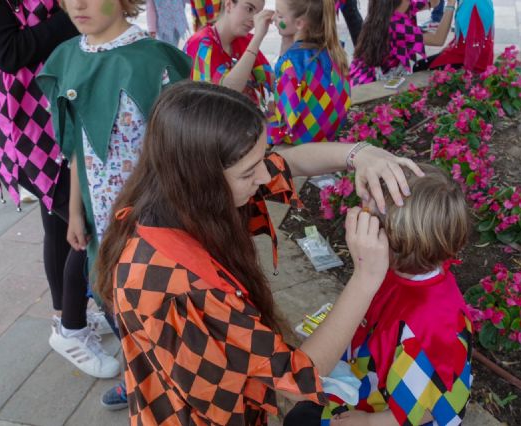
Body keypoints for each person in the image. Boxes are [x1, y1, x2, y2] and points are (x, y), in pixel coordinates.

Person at [94, 81, 423, 425]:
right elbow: (297, 379)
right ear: (202, 179)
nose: (265, 175)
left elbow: (290, 161)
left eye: (261, 159)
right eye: (249, 172)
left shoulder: (171, 196)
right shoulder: (180, 283)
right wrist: (366, 277)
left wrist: (359, 154)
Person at [36, 0, 192, 410]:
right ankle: (137, 371)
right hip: (99, 216)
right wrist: (73, 211)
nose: (77, 5)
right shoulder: (68, 56)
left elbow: (179, 149)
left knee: (160, 300)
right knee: (113, 297)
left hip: (155, 216)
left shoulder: (153, 60)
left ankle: (174, 374)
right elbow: (75, 147)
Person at [0, 0, 117, 379]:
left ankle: (67, 318)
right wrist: (74, 15)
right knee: (92, 225)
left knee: (60, 223)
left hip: (47, 116)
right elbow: (8, 53)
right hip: (25, 132)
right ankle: (72, 327)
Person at [284, 164, 473, 426]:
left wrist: (369, 422)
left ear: (395, 242)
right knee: (300, 416)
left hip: (392, 418)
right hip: (371, 387)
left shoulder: (432, 326)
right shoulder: (396, 269)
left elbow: (433, 405)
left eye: (370, 218)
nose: (359, 215)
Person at [268, 0, 351, 146]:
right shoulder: (334, 51)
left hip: (302, 143)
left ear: (300, 24)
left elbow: (284, 127)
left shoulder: (292, 64)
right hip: (328, 135)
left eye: (280, 16)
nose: (273, 18)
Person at [184, 0, 275, 110]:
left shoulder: (245, 40)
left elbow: (271, 81)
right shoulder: (202, 44)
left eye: (258, 14)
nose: (253, 20)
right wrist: (258, 38)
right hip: (209, 123)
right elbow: (226, 94)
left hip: (242, 121)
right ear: (229, 5)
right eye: (249, 9)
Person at [349, 0, 456, 86]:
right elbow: (438, 39)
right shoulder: (395, 25)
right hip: (368, 82)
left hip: (363, 71)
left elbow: (433, 2)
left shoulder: (390, 9)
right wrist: (451, 4)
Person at [426, 0, 494, 72]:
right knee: (425, 63)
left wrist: (467, 74)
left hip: (470, 60)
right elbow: (462, 35)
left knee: (420, 66)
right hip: (465, 53)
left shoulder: (473, 3)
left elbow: (475, 44)